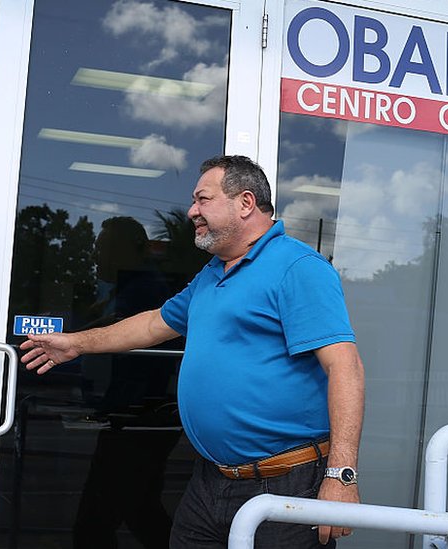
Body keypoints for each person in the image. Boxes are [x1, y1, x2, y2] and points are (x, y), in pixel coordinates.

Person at [19, 155, 365, 548]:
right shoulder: (214, 272)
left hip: (284, 483)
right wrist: (75, 343)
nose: (191, 211)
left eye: (203, 199)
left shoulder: (298, 267)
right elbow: (154, 324)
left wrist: (341, 475)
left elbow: (345, 367)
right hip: (210, 481)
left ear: (245, 203)